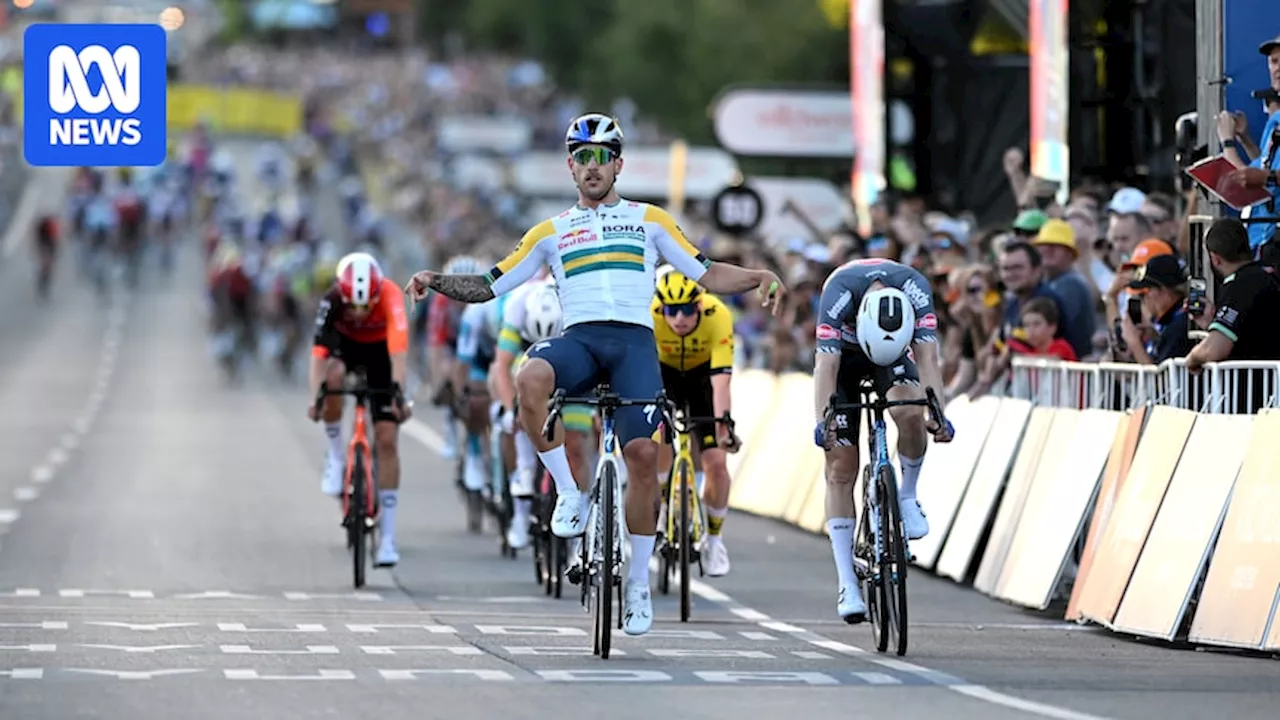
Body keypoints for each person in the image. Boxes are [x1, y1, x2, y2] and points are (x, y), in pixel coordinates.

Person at [406, 113, 785, 637]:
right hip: (580, 341)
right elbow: (492, 284)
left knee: (645, 457)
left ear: (618, 164)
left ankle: (637, 585)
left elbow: (706, 272)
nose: (592, 166)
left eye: (601, 157)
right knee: (529, 377)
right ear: (570, 166)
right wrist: (436, 280)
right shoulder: (551, 231)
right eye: (582, 157)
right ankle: (568, 491)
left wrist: (758, 276)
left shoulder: (652, 221)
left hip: (633, 344)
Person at [811, 258, 954, 623]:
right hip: (845, 358)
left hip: (892, 355)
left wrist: (937, 413)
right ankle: (847, 580)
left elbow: (928, 361)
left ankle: (906, 495)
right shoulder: (838, 294)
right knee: (840, 467)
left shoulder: (915, 290)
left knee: (910, 411)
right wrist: (822, 422)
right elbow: (825, 368)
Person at [309, 252, 412, 567]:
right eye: (352, 305)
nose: (358, 312)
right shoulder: (332, 299)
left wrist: (399, 397)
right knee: (334, 378)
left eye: (365, 305)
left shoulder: (392, 296)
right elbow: (318, 356)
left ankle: (389, 541)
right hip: (346, 348)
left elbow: (398, 355)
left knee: (386, 438)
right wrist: (315, 399)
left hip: (381, 354)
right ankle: (336, 457)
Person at [650, 266, 740, 577]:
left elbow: (721, 384)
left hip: (703, 380)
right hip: (664, 375)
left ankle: (715, 540)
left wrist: (723, 425)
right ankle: (662, 503)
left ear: (700, 304)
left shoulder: (719, 316)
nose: (679, 318)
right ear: (661, 307)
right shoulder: (648, 316)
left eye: (687, 309)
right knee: (657, 434)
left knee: (715, 462)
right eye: (671, 311)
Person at [489, 277, 586, 551]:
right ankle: (522, 493)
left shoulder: (575, 306)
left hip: (570, 366)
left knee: (576, 443)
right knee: (522, 415)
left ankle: (580, 514)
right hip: (527, 361)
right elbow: (501, 366)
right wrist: (510, 410)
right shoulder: (519, 305)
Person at [1186, 218, 1280, 374]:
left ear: (1215, 259)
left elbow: (1215, 349)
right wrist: (1213, 321)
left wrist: (1193, 358)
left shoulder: (1241, 285)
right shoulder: (1267, 275)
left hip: (1258, 392)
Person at [1121, 254, 1196, 365]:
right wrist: (1155, 336)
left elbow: (1161, 381)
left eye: (1147, 291)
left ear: (1165, 290)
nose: (1145, 298)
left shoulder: (1180, 325)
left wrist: (1135, 343)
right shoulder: (1172, 322)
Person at [1009, 297, 1077, 361]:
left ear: (1052, 328)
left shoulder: (1061, 346)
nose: (1031, 330)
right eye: (1026, 325)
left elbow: (1054, 360)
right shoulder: (1031, 351)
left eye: (1036, 324)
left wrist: (1020, 358)